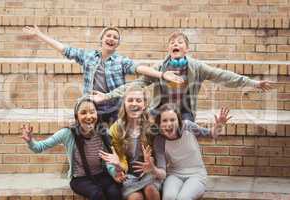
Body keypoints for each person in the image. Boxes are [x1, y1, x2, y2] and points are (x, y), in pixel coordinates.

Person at [96, 31, 273, 122]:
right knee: (148, 130)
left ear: (186, 49)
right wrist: (107, 95)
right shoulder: (159, 68)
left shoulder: (196, 67)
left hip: (184, 111)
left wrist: (254, 83)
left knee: (187, 131)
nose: (175, 44)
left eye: (179, 42)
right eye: (172, 43)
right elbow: (137, 84)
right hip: (160, 109)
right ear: (168, 49)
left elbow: (223, 75)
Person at [22, 26, 183, 124]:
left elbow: (139, 68)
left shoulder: (121, 61)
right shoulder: (88, 57)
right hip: (92, 106)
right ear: (102, 39)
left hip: (114, 107)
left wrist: (162, 75)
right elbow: (65, 49)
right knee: (86, 134)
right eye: (109, 36)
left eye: (115, 38)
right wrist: (39, 35)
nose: (111, 39)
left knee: (114, 139)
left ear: (117, 44)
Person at [21, 96, 122, 200]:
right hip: (80, 179)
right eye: (83, 113)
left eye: (92, 112)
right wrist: (30, 141)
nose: (89, 116)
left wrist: (115, 172)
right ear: (76, 116)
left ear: (97, 113)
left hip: (100, 175)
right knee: (97, 194)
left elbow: (108, 161)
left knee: (114, 192)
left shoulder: (102, 133)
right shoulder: (68, 133)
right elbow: (39, 147)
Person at [99, 85, 165, 200]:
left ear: (144, 105)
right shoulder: (116, 129)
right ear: (124, 103)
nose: (134, 103)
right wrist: (115, 171)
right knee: (135, 198)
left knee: (151, 191)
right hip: (128, 176)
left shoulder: (152, 128)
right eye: (130, 100)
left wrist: (152, 165)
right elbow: (110, 159)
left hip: (149, 174)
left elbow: (161, 161)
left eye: (138, 100)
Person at [153, 103, 231, 200]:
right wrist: (153, 169)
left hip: (196, 175)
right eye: (164, 120)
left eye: (173, 119)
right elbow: (163, 172)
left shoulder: (188, 126)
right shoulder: (159, 140)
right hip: (174, 174)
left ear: (178, 120)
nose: (169, 124)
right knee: (168, 197)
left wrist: (219, 125)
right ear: (159, 124)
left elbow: (211, 134)